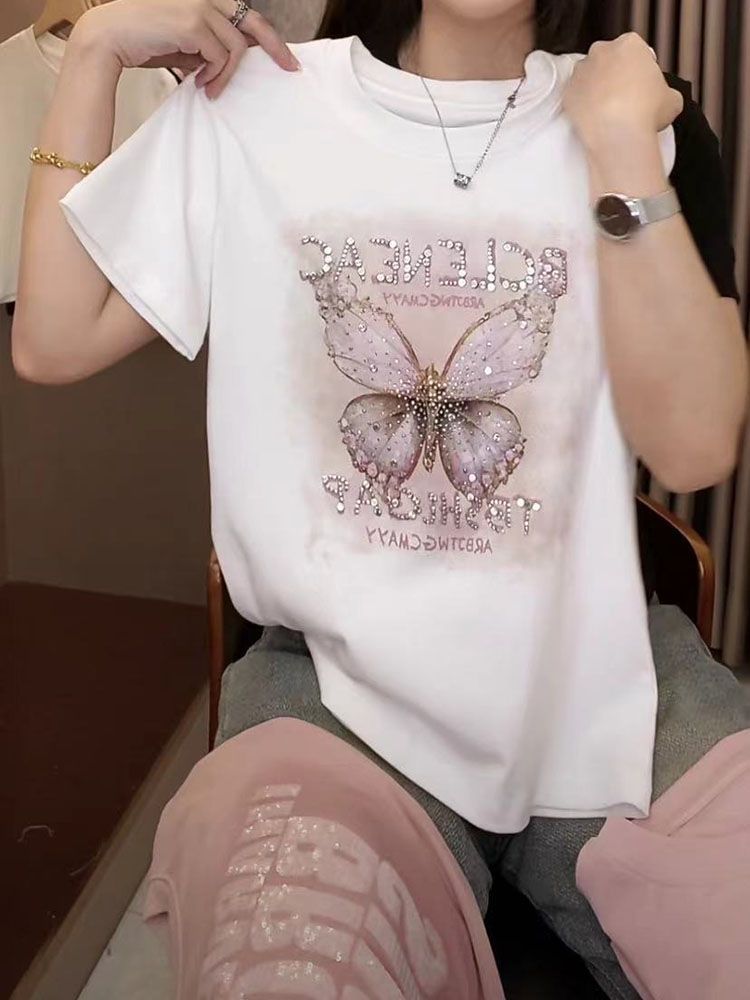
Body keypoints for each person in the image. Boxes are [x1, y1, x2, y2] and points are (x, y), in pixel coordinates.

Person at [12, 1, 750, 997]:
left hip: (607, 684)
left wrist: (621, 149)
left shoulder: (643, 113)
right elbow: (52, 340)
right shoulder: (260, 107)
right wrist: (95, 51)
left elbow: (696, 446)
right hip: (336, 691)